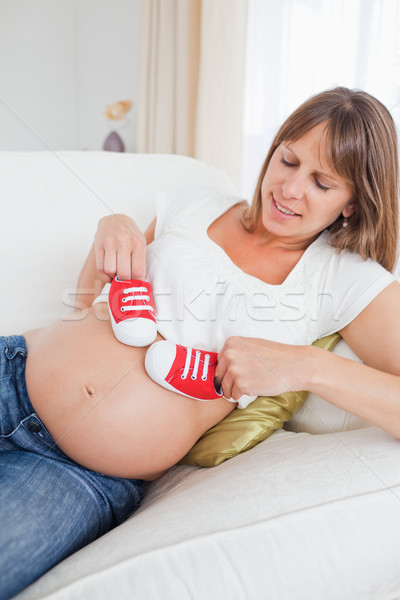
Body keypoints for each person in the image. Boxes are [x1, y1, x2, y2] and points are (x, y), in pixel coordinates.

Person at [1, 86, 400, 599]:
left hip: (76, 473)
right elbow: (88, 303)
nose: (289, 188)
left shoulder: (347, 279)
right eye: (288, 159)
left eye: (321, 183)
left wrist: (306, 367)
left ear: (353, 203)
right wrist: (113, 230)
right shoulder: (195, 203)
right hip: (15, 368)